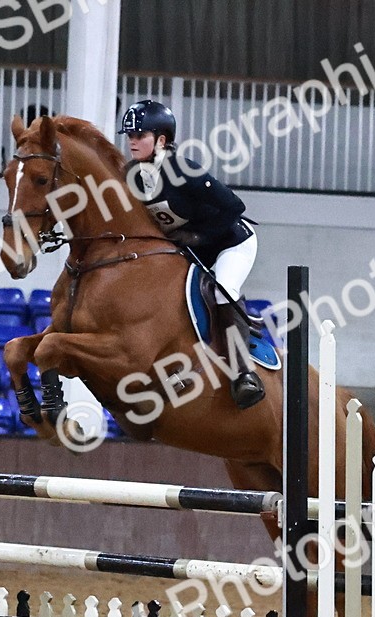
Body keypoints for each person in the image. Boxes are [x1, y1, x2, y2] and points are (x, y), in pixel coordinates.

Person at [118, 99, 264, 410]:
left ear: (161, 140)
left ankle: (243, 375)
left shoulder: (184, 171)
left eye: (139, 135)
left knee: (223, 291)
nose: (132, 140)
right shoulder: (130, 175)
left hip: (229, 244)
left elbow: (234, 207)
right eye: (129, 135)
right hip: (189, 250)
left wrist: (196, 236)